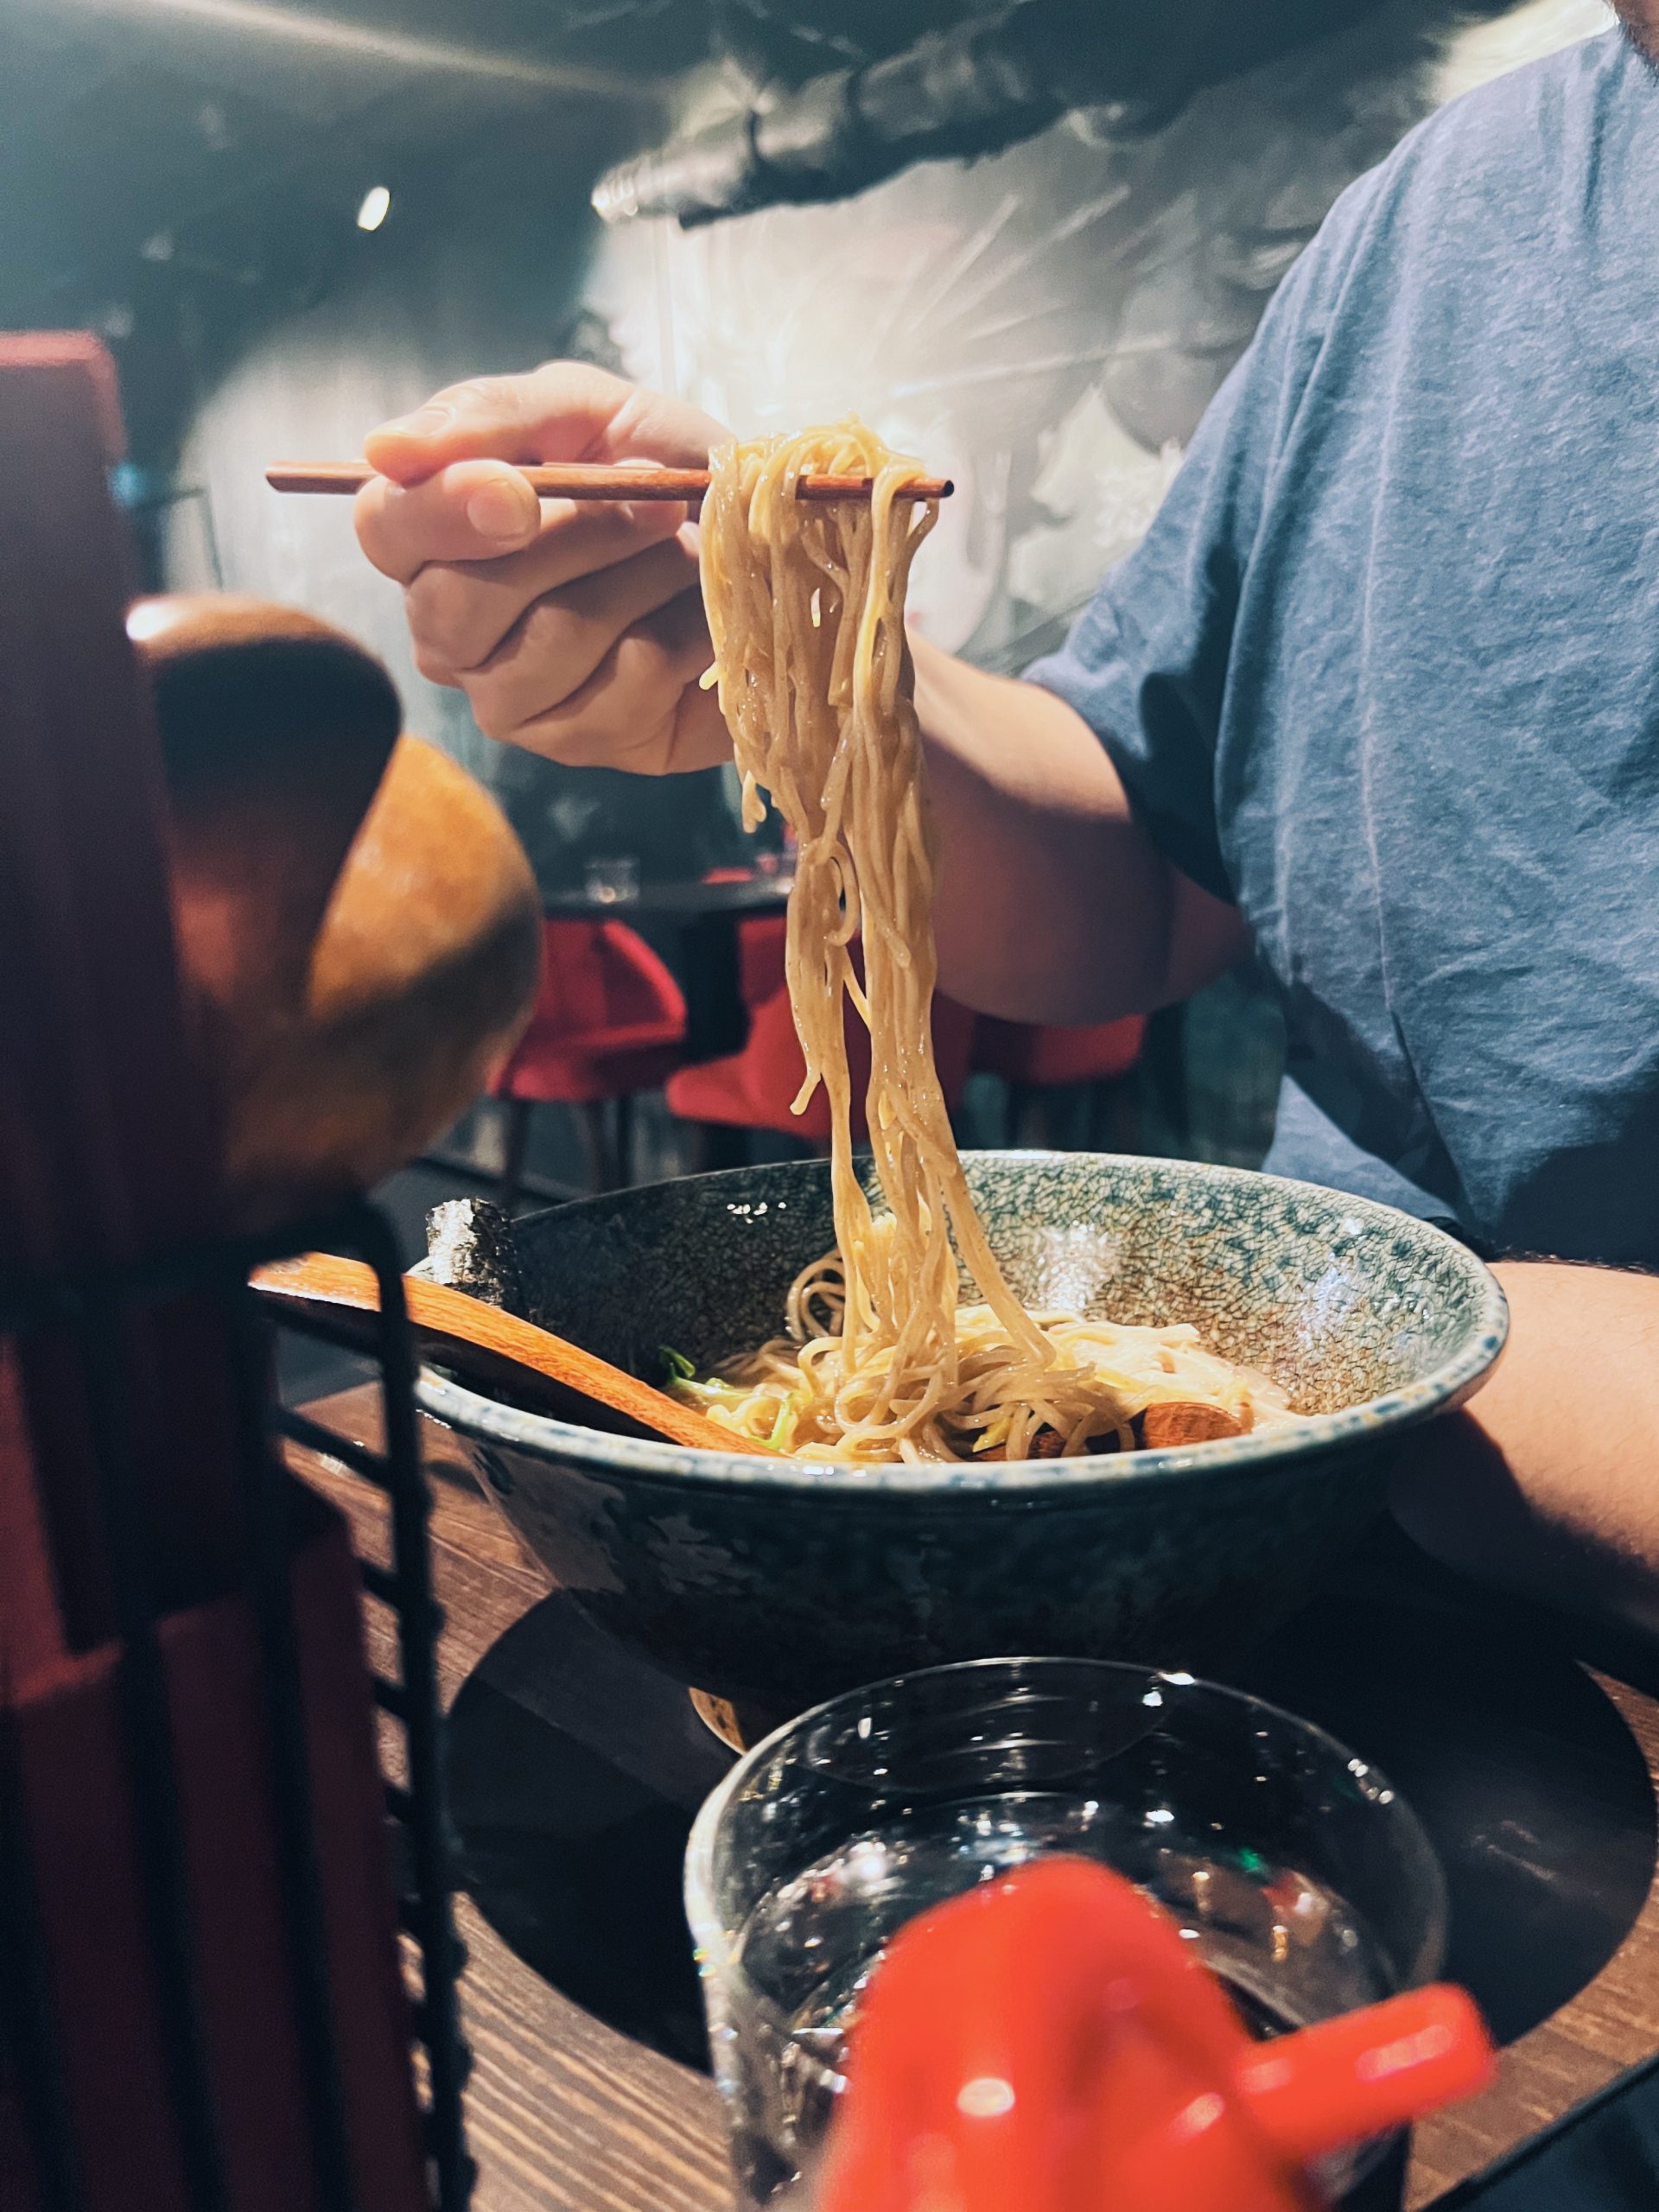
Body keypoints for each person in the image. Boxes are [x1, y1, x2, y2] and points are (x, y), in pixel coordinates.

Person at [353, 22, 1659, 1635]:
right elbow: (1138, 859)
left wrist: (1420, 1362)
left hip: (1329, 1445)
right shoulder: (1449, 209)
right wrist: (825, 677)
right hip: (1294, 1545)